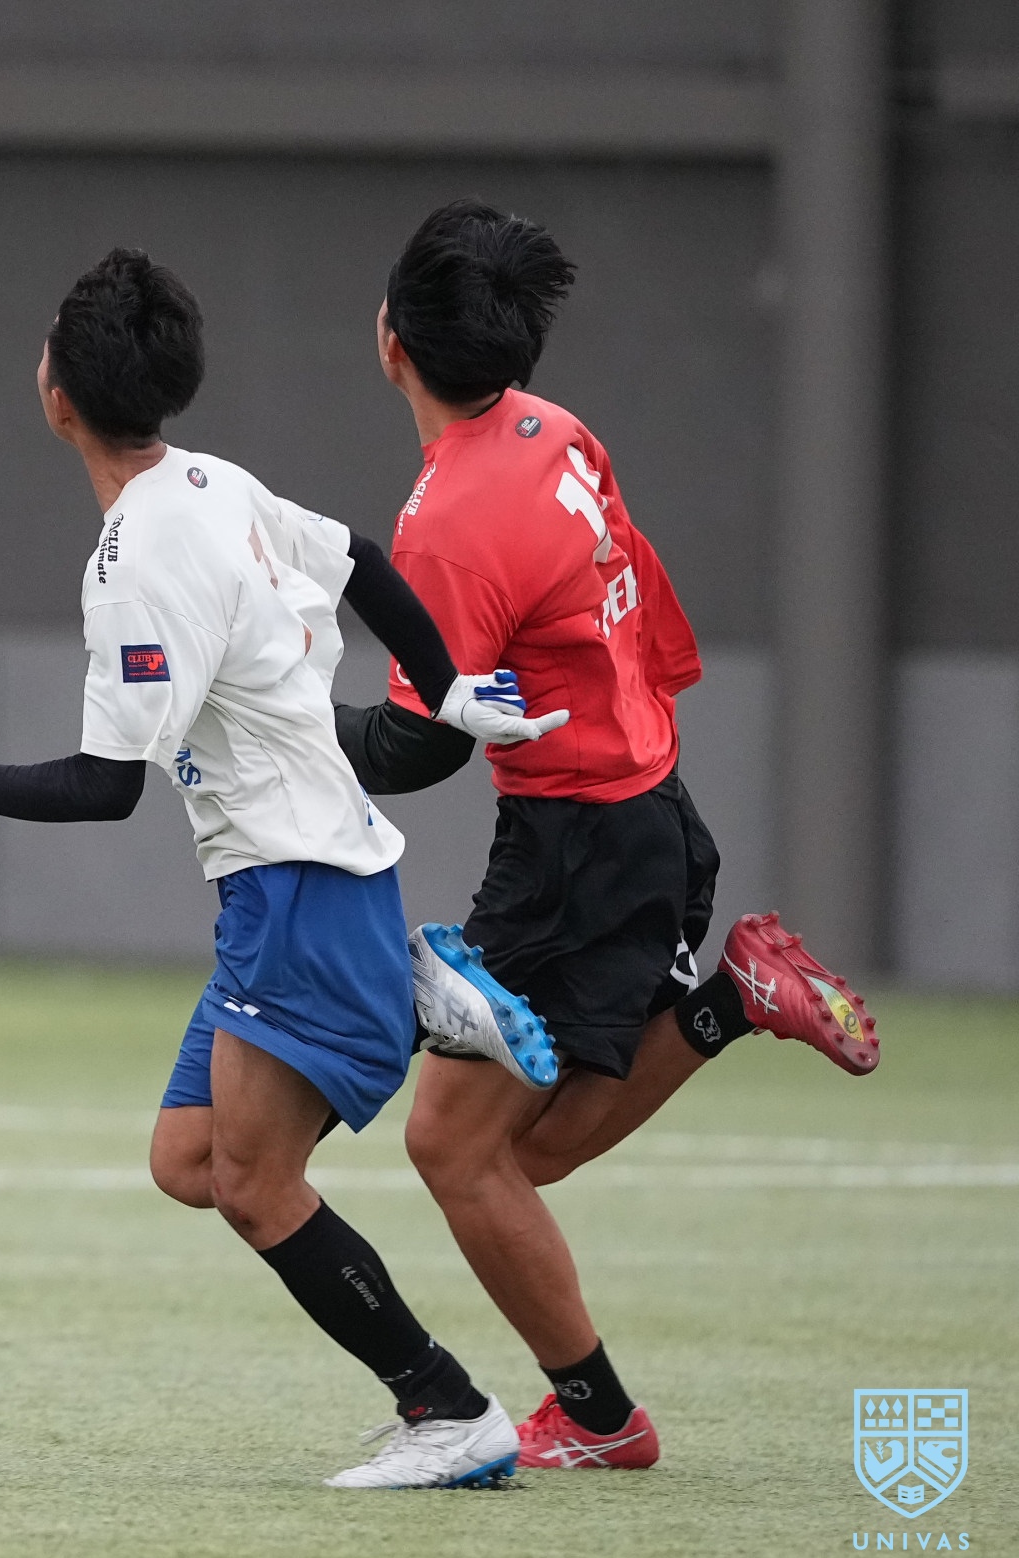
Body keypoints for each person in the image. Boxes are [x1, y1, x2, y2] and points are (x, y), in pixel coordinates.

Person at [0, 247, 566, 1488]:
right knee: (188, 1162)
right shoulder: (213, 479)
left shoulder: (131, 564)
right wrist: (447, 684)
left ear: (58, 396)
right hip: (297, 880)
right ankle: (410, 990)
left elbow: (106, 786)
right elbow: (360, 558)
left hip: (296, 885)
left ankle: (449, 1409)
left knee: (253, 1184)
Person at [337, 198, 883, 1472]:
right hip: (647, 810)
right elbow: (624, 582)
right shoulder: (556, 428)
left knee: (453, 1145)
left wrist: (281, 722)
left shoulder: (445, 521)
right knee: (523, 1152)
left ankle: (600, 1419)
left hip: (573, 842)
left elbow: (422, 744)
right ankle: (736, 996)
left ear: (390, 340)